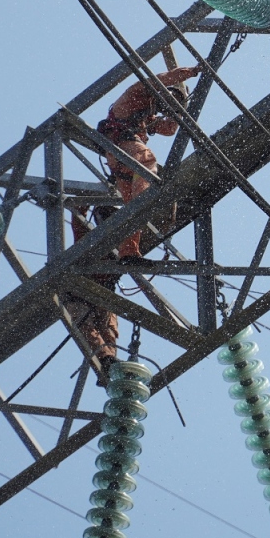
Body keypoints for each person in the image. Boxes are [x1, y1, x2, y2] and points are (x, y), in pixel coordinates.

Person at [97, 65, 201, 262]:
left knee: (132, 208)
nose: (169, 104)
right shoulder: (139, 92)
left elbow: (169, 128)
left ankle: (129, 252)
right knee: (147, 163)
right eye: (171, 98)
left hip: (121, 160)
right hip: (125, 149)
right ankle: (144, 198)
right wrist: (193, 71)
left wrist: (180, 109)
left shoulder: (148, 114)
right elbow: (164, 78)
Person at [66, 205, 122, 378]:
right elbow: (77, 222)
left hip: (102, 295)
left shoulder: (123, 242)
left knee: (108, 330)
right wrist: (83, 203)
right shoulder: (89, 238)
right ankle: (106, 359)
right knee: (86, 325)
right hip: (78, 294)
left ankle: (109, 362)